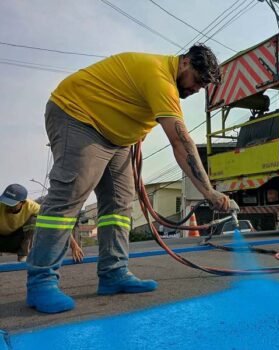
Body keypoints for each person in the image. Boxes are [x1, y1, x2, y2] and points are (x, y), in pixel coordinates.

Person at [26, 44, 230, 314]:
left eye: (202, 87)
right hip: (77, 114)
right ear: (184, 63)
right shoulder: (159, 77)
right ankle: (41, 281)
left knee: (120, 204)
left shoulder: (163, 81)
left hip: (116, 138)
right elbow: (181, 142)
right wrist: (210, 193)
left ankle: (113, 273)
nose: (195, 90)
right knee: (70, 193)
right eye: (197, 81)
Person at [0, 184, 84, 263]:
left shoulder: (32, 206)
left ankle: (24, 255)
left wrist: (74, 246)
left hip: (17, 240)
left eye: (12, 204)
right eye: (5, 202)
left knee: (34, 220)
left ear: (23, 202)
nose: (7, 206)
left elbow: (56, 222)